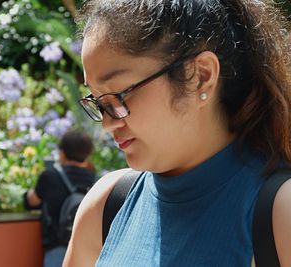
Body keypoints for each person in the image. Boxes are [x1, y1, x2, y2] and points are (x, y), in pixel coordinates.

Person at [64, 0, 291, 266]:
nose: (107, 123)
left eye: (118, 95)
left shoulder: (279, 213)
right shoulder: (105, 206)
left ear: (200, 76)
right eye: (99, 102)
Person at [24, 129, 96, 267]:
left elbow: (31, 202)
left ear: (62, 153)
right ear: (87, 154)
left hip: (57, 248)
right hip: (88, 250)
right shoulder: (96, 179)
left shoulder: (50, 176)